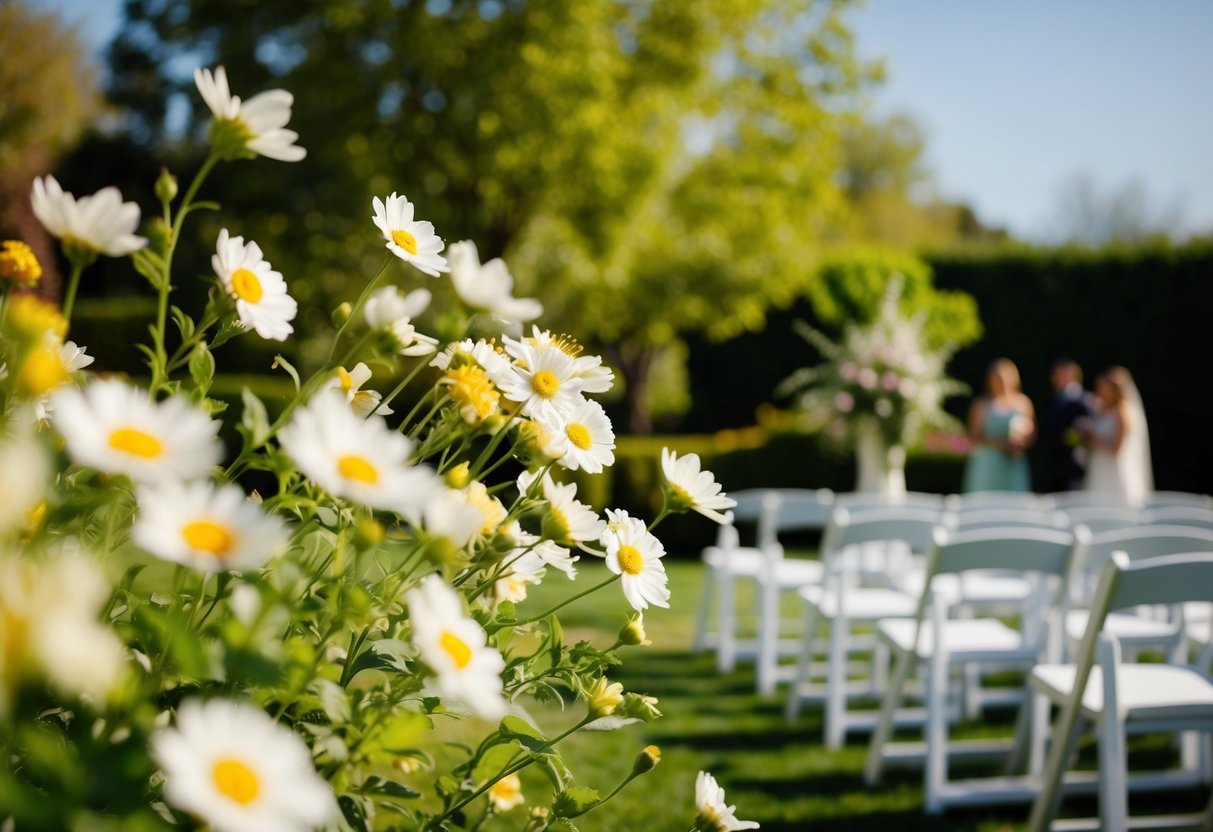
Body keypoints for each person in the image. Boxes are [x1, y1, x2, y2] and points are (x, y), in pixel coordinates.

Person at [1081, 366, 1153, 506]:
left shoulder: (1122, 413)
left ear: (1114, 389)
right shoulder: (1102, 410)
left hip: (1113, 471)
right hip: (1099, 468)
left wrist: (1092, 438)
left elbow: (1116, 449)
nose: (1099, 390)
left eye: (1103, 386)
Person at [962, 358, 1035, 493]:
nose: (1001, 383)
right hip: (988, 464)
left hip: (1014, 462)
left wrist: (1020, 441)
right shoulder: (981, 404)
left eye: (1004, 379)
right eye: (996, 378)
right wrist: (1001, 444)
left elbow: (1031, 434)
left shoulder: (1023, 403)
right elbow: (973, 435)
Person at [1039, 358, 1090, 492]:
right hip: (1054, 466)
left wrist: (1065, 437)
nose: (1055, 378)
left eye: (1060, 374)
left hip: (1073, 466)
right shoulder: (1056, 399)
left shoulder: (1083, 400)